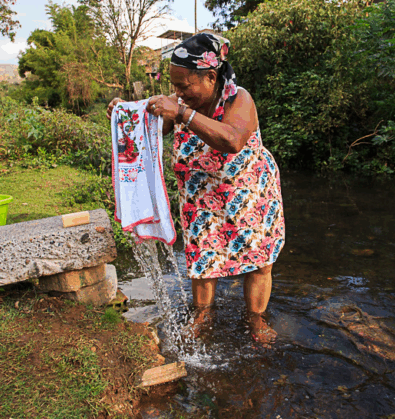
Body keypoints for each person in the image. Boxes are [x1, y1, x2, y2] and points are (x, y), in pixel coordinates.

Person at [107, 33, 285, 344]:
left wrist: (182, 114)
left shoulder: (238, 99)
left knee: (258, 260)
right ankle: (203, 314)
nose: (177, 93)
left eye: (184, 86)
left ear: (210, 77)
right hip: (201, 198)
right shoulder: (181, 102)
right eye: (174, 86)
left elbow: (232, 140)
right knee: (202, 258)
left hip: (248, 194)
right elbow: (151, 124)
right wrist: (124, 113)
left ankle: (255, 318)